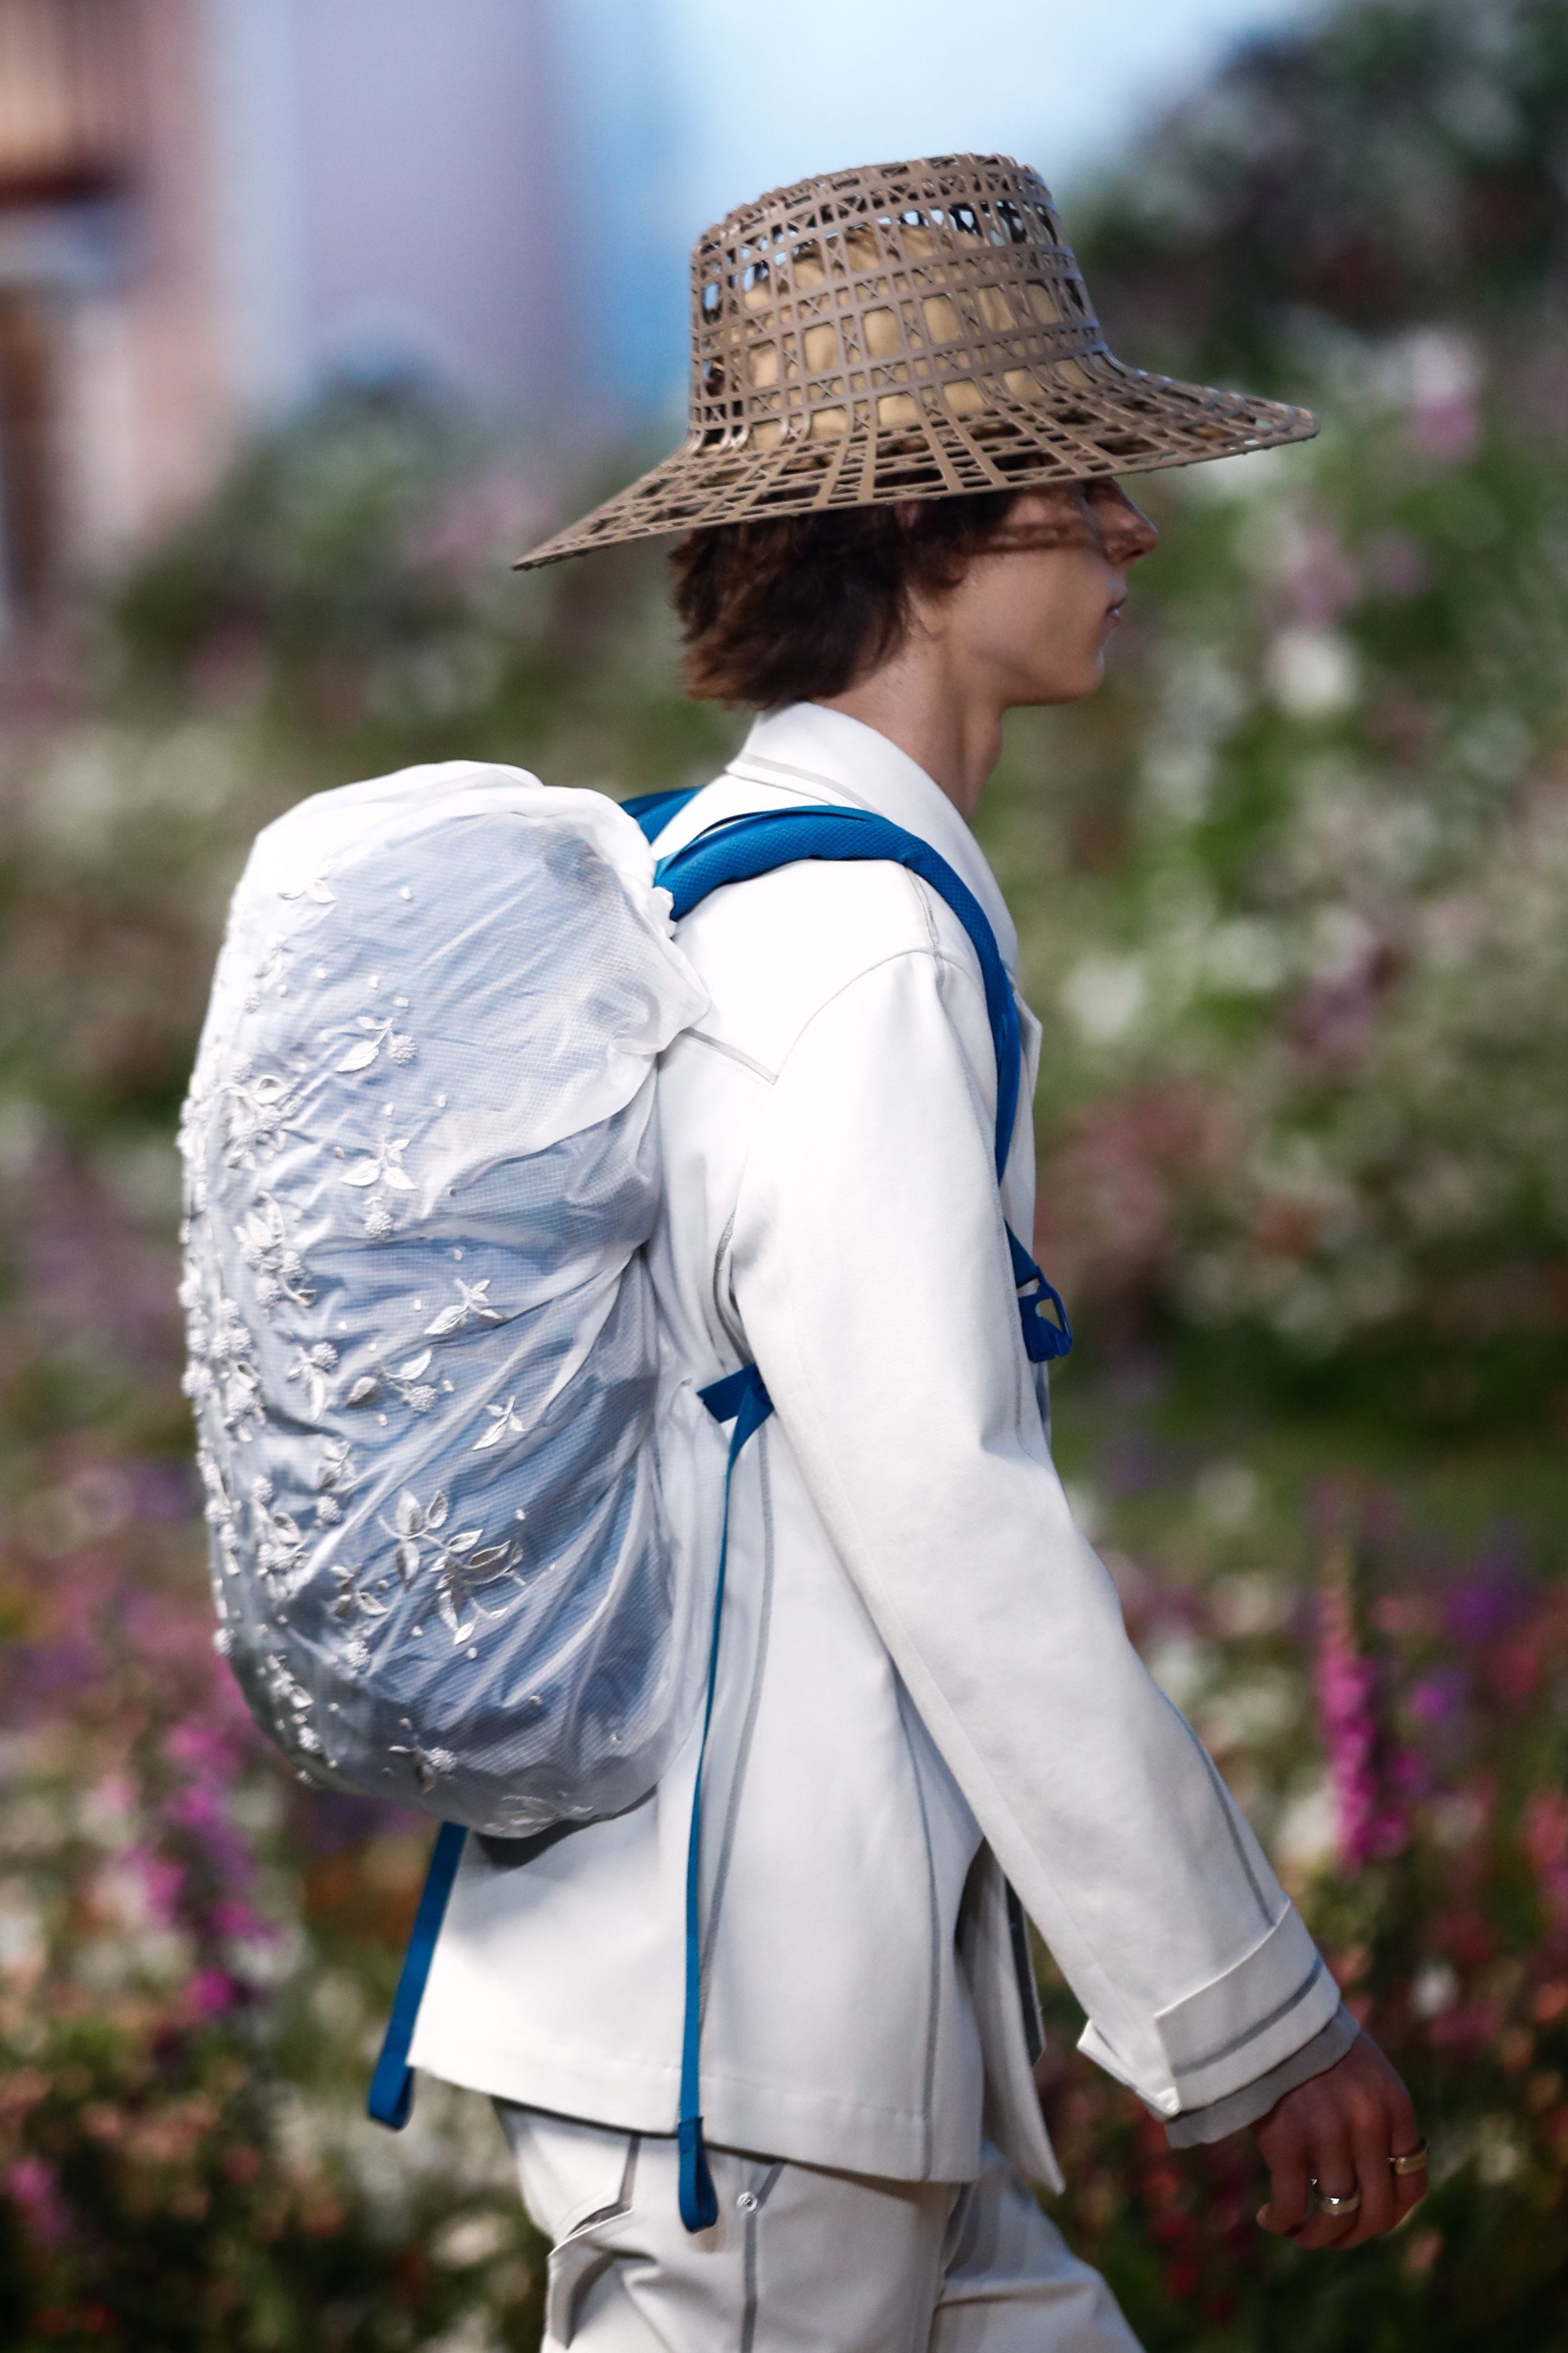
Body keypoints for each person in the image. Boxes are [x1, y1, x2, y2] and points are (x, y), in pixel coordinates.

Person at [406, 155, 1428, 2351]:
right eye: (1076, 482)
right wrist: (1250, 2018)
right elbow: (951, 1524)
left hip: (809, 2033)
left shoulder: (755, 881)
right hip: (749, 2038)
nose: (1133, 530)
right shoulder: (851, 944)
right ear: (927, 537)